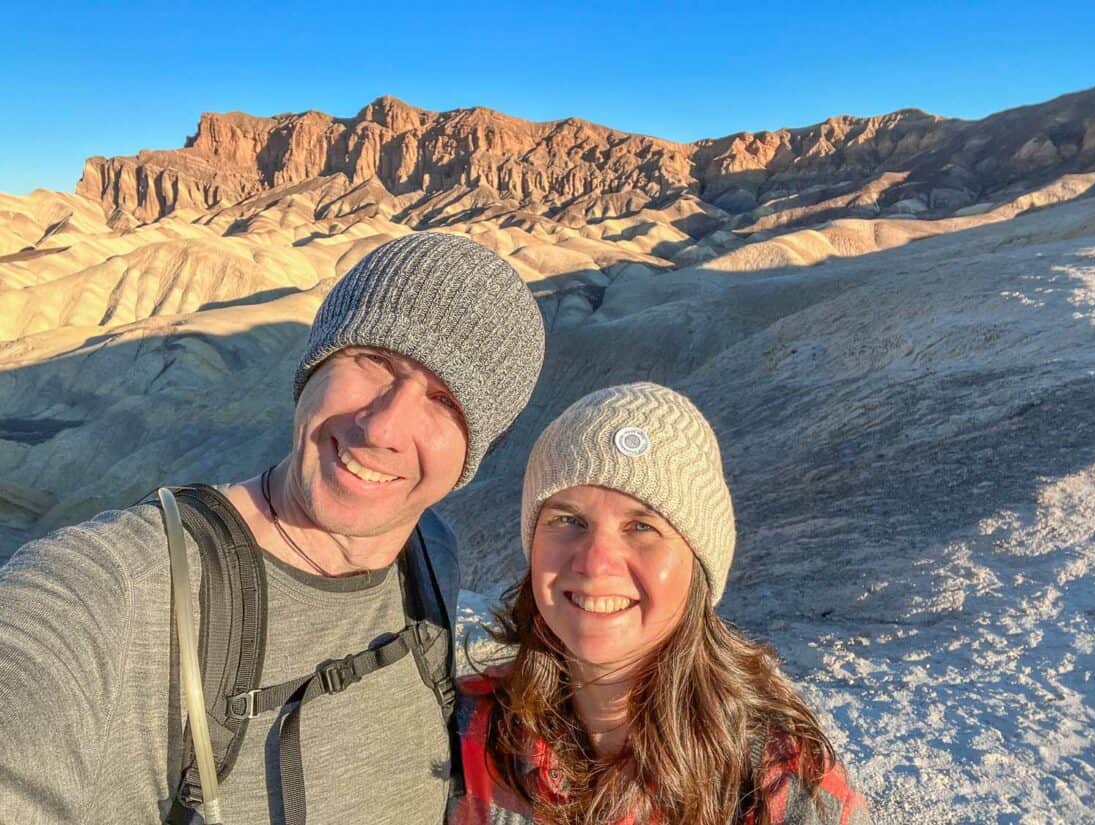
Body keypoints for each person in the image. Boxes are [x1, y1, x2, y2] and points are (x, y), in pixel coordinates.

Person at [0, 232, 545, 825]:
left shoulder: (432, 554)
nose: (383, 426)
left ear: (478, 451)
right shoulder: (113, 591)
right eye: (373, 360)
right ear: (314, 363)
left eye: (444, 400)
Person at [451, 382, 871, 825]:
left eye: (642, 527)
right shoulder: (466, 735)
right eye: (568, 520)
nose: (595, 562)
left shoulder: (777, 776)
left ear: (698, 563)